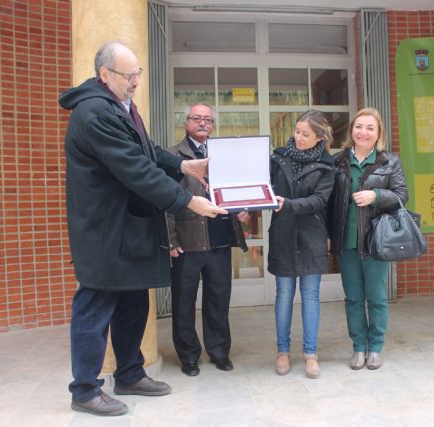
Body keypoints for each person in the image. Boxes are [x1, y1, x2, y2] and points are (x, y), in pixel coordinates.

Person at [58, 41, 227, 417]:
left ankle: (130, 373)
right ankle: (85, 389)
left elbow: (146, 151)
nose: (136, 81)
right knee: (95, 304)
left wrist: (182, 167)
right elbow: (134, 169)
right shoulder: (94, 113)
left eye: (138, 74)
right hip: (104, 229)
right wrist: (187, 200)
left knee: (134, 301)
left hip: (129, 226)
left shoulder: (121, 106)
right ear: (105, 75)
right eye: (129, 75)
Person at [166, 102, 250, 377]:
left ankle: (219, 351)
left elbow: (237, 189)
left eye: (207, 120)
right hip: (187, 241)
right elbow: (164, 200)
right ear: (186, 123)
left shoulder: (223, 155)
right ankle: (189, 356)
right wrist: (171, 239)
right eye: (196, 118)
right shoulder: (174, 156)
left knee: (218, 300)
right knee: (184, 302)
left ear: (213, 125)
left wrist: (243, 209)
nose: (202, 123)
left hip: (220, 239)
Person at [328, 107, 409, 371]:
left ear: (378, 134)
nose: (363, 132)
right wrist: (330, 235)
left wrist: (377, 195)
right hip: (346, 240)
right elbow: (328, 202)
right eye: (359, 126)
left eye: (370, 128)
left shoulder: (390, 162)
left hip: (375, 241)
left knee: (376, 297)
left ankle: (375, 347)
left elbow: (401, 196)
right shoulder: (338, 161)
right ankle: (358, 347)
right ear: (351, 131)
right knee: (352, 297)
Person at [268, 110, 335, 379]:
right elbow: (265, 186)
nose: (298, 137)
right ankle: (282, 351)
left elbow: (320, 201)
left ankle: (310, 354)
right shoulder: (278, 156)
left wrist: (288, 205)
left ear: (319, 137)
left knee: (310, 296)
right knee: (284, 294)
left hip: (311, 236)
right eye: (297, 131)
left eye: (305, 134)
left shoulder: (327, 166)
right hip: (283, 234)